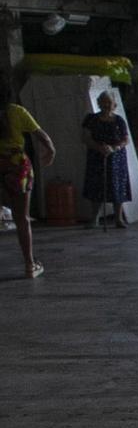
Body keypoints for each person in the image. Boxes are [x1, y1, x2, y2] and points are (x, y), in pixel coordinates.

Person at [1, 74, 56, 278]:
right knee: (22, 219)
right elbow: (43, 137)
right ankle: (29, 265)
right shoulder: (17, 112)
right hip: (18, 169)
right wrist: (50, 151)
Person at [81, 91, 132, 229]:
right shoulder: (91, 119)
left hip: (116, 157)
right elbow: (85, 137)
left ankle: (118, 219)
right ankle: (94, 219)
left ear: (114, 104)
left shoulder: (119, 120)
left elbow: (126, 139)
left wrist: (114, 148)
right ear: (98, 103)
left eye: (109, 102)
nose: (106, 105)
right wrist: (99, 147)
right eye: (103, 102)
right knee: (96, 186)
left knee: (118, 186)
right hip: (97, 156)